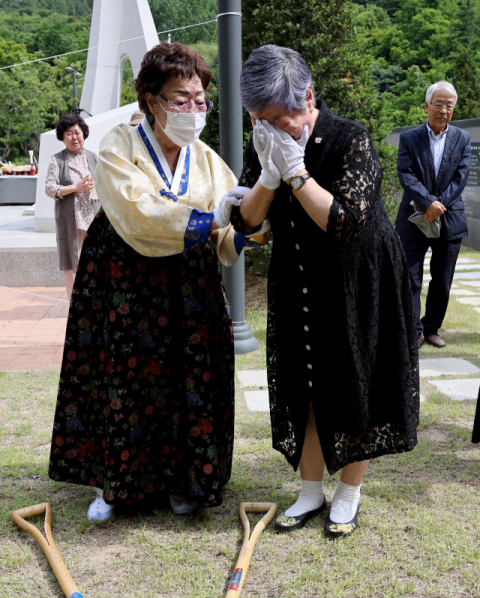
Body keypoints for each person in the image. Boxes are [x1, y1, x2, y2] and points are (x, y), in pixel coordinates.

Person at [48, 42, 266, 522]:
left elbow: (230, 231)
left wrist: (248, 219)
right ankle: (116, 484)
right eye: (180, 99)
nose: (193, 109)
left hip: (190, 283)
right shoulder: (115, 146)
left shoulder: (207, 159)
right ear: (151, 100)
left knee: (189, 376)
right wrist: (212, 219)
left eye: (200, 99)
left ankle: (184, 480)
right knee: (124, 375)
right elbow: (138, 212)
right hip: (124, 279)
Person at [232, 45, 419, 538]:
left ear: (307, 97)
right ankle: (310, 490)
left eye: (277, 117)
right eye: (259, 119)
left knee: (353, 380)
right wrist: (269, 175)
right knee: (304, 383)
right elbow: (247, 223)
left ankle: (349, 494)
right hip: (298, 278)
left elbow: (342, 223)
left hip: (358, 278)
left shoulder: (350, 138)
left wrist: (295, 173)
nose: (270, 128)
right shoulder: (268, 141)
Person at [396, 81, 471, 349]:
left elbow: (461, 177)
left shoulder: (462, 139)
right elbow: (406, 173)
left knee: (442, 280)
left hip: (450, 219)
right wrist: (428, 202)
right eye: (438, 104)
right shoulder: (409, 138)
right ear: (426, 106)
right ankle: (413, 330)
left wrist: (440, 204)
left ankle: (431, 328)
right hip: (414, 218)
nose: (443, 110)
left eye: (448, 105)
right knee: (411, 277)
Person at [45, 114, 100, 300]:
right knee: (71, 261)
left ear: (84, 134)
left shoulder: (93, 157)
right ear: (62, 137)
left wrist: (95, 186)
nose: (74, 137)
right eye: (69, 133)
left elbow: (104, 185)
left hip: (92, 218)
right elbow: (50, 189)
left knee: (93, 259)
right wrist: (75, 187)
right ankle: (74, 304)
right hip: (70, 219)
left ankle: (92, 301)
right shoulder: (57, 160)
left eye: (77, 132)